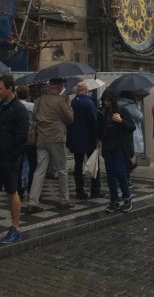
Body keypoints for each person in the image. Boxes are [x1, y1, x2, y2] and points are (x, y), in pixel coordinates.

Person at [0, 74, 29, 245]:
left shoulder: (19, 110)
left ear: (10, 89)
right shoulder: (0, 106)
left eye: (0, 88)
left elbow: (21, 138)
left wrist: (12, 158)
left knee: (11, 192)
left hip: (9, 158)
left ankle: (15, 228)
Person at [27, 78, 74, 213]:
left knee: (40, 170)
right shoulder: (60, 101)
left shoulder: (39, 100)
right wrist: (68, 106)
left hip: (41, 138)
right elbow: (70, 119)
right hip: (57, 138)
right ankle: (64, 201)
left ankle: (32, 202)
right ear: (58, 86)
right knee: (62, 170)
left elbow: (34, 116)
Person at [97, 89, 135, 213]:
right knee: (110, 174)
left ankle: (127, 198)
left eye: (108, 100)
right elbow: (100, 128)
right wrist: (100, 138)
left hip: (120, 146)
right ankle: (114, 200)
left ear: (113, 100)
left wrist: (121, 121)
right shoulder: (103, 112)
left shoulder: (122, 111)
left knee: (120, 171)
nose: (106, 102)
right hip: (108, 146)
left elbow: (131, 126)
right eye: (104, 100)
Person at [66, 81, 101, 199]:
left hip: (75, 139)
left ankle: (79, 190)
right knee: (93, 163)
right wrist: (98, 137)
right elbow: (94, 121)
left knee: (78, 164)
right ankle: (95, 189)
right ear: (86, 91)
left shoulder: (72, 103)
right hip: (88, 138)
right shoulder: (89, 102)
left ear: (77, 91)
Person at [16, 85, 37, 199]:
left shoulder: (15, 106)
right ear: (28, 95)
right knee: (33, 164)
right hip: (30, 138)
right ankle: (31, 189)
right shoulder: (32, 106)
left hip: (18, 139)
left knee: (18, 165)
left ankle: (19, 190)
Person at [118, 92, 144, 173]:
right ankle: (128, 169)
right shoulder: (131, 106)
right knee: (130, 152)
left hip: (121, 131)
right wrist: (138, 106)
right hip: (132, 131)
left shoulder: (118, 104)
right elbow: (140, 117)